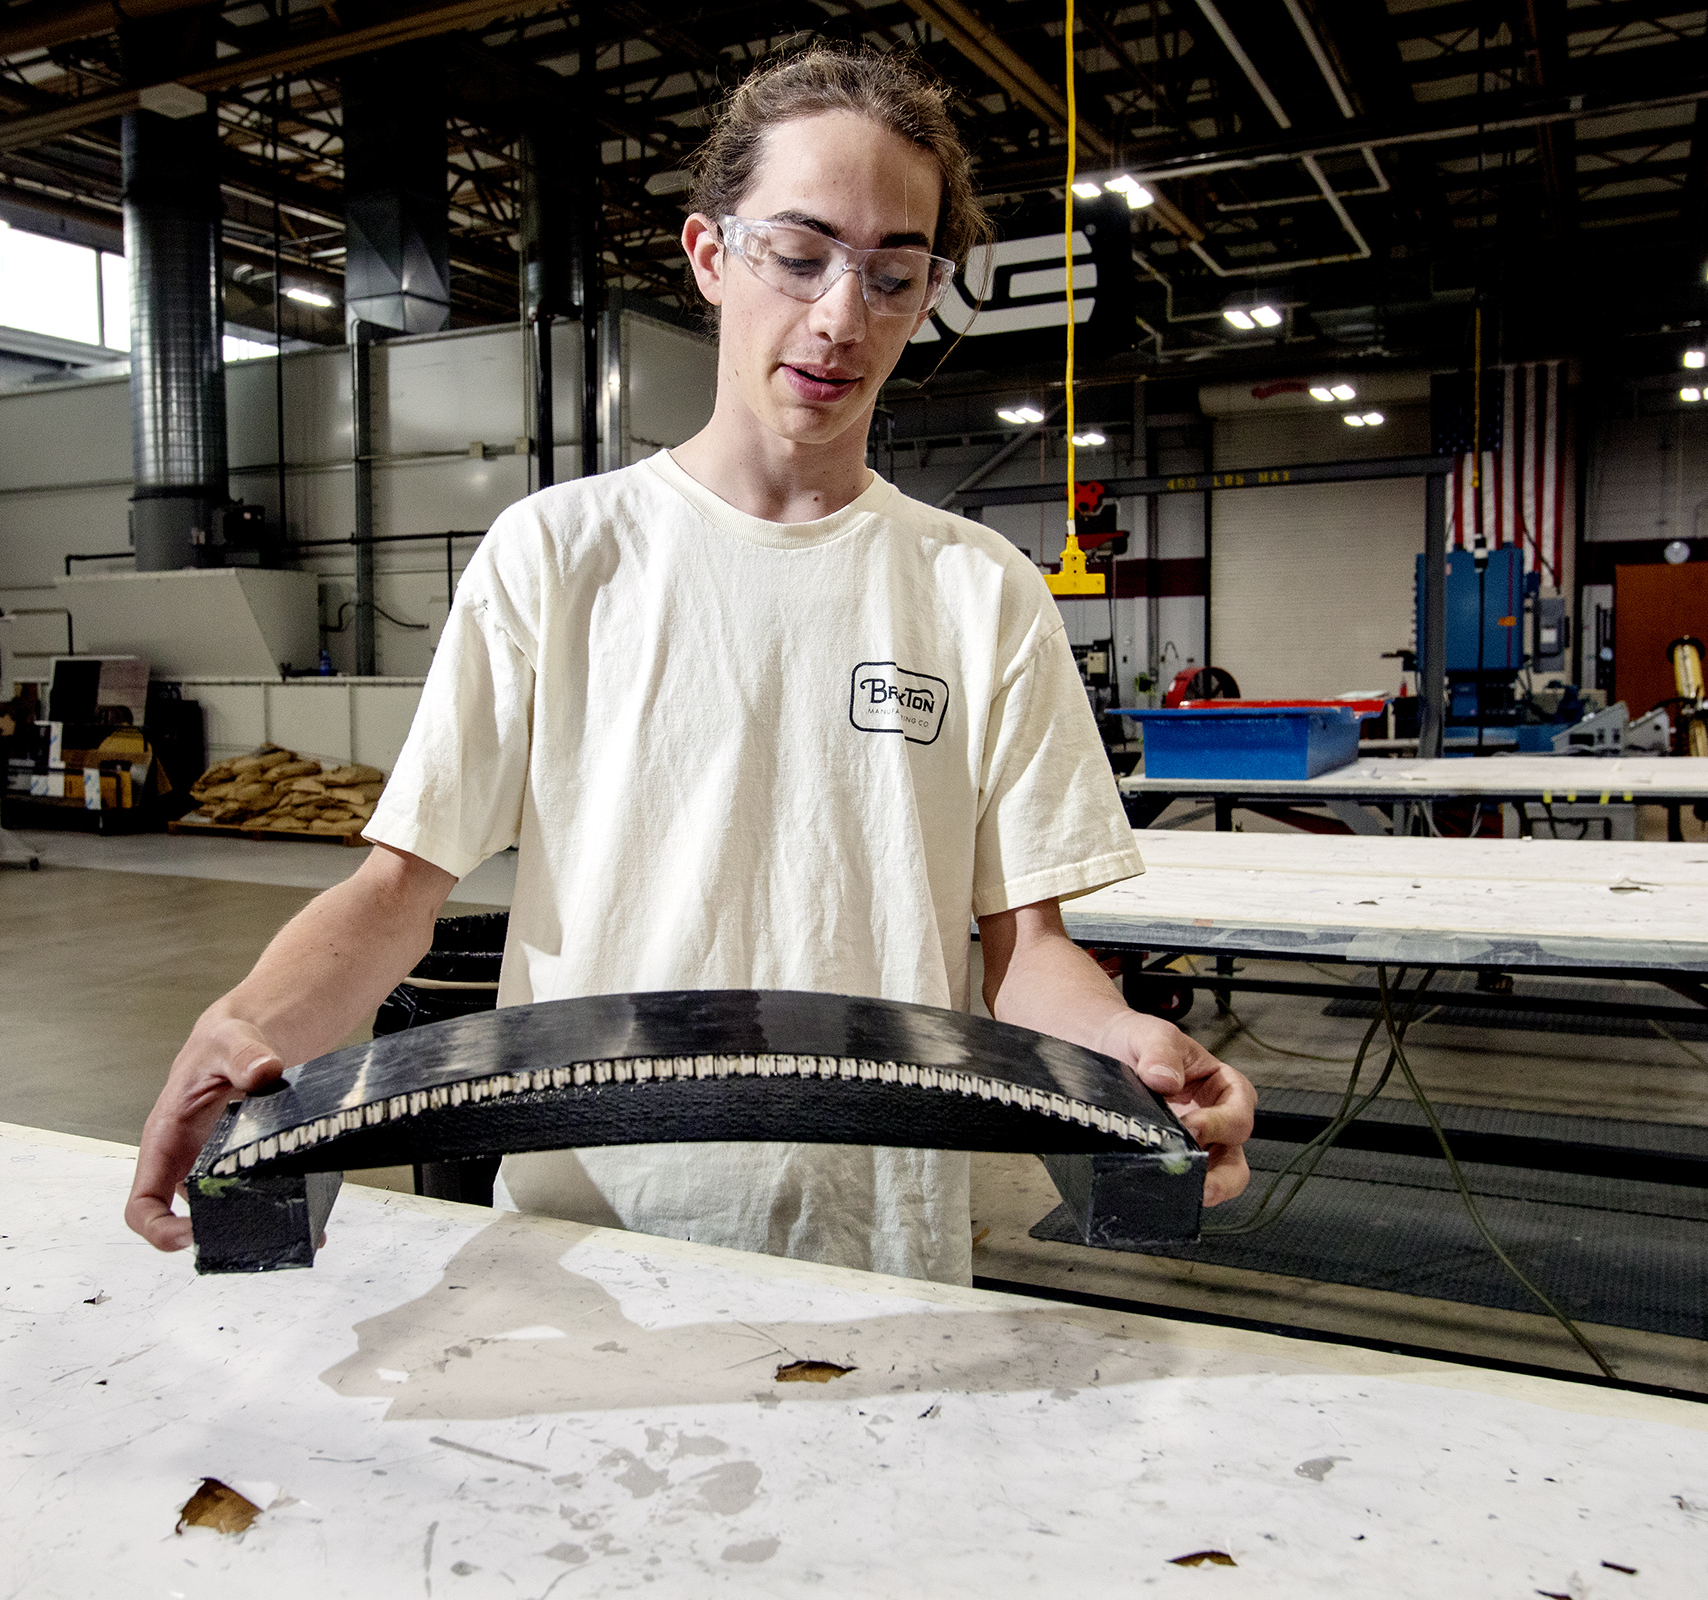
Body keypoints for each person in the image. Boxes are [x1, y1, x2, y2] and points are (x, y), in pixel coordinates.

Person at [127, 45, 1255, 1284]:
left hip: (877, 1240)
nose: (841, 316)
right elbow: (400, 893)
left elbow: (1025, 950)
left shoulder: (977, 588)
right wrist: (244, 1025)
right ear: (712, 256)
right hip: (586, 1242)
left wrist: (1125, 1043)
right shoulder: (561, 554)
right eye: (801, 253)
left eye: (892, 274)